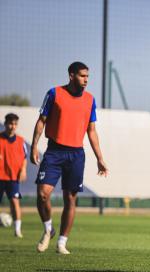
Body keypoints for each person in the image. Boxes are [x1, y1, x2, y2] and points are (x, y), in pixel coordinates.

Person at [31, 61, 108, 254]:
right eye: (82, 76)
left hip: (76, 154)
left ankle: (62, 242)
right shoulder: (54, 93)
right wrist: (34, 146)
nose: (86, 80)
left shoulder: (90, 99)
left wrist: (100, 157)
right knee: (43, 194)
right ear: (71, 75)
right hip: (54, 152)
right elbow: (41, 121)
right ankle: (48, 228)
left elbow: (92, 131)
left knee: (70, 199)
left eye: (88, 76)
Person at [0, 113, 28, 238]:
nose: (13, 126)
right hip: (0, 176)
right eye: (10, 123)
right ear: (6, 124)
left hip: (13, 177)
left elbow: (25, 157)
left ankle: (17, 230)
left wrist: (23, 170)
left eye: (15, 124)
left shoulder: (21, 141)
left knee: (15, 202)